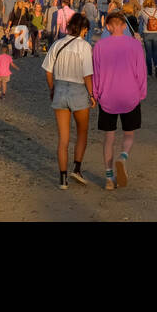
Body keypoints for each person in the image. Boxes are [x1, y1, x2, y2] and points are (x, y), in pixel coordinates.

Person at [92, 11, 147, 191]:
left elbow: (96, 74)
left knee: (109, 138)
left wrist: (95, 94)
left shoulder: (99, 46)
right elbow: (141, 71)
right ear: (124, 26)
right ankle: (123, 157)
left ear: (108, 26)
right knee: (129, 134)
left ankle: (109, 177)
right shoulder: (135, 45)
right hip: (130, 94)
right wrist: (141, 92)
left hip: (107, 96)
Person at [43, 13, 95, 189]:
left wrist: (52, 88)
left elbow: (48, 71)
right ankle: (77, 168)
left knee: (63, 138)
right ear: (82, 29)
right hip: (78, 89)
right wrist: (92, 94)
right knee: (82, 131)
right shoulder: (85, 46)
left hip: (60, 89)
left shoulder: (57, 44)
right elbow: (88, 74)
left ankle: (63, 179)